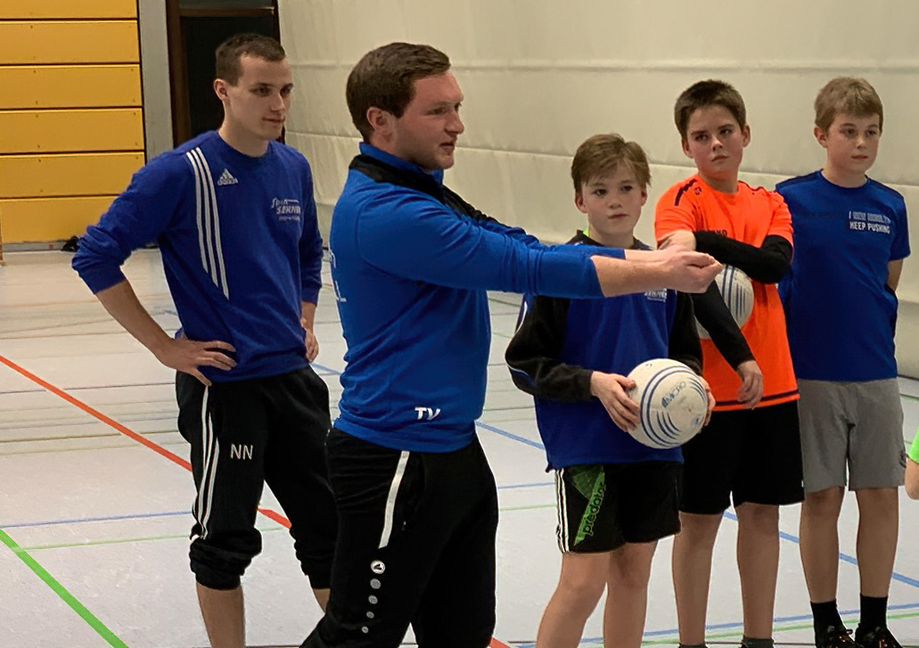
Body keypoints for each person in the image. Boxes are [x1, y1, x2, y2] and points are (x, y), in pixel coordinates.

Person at [301, 43, 721, 648]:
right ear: (380, 120)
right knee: (358, 635)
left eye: (457, 107)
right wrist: (660, 269)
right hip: (395, 454)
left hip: (454, 451)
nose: (457, 124)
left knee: (463, 632)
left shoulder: (425, 191)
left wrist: (655, 262)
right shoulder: (390, 212)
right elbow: (528, 266)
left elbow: (523, 243)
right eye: (438, 111)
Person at [72, 33, 336, 648]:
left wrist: (304, 317)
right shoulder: (179, 173)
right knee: (224, 541)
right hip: (225, 388)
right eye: (262, 90)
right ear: (224, 90)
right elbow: (95, 256)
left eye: (286, 90)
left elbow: (307, 252)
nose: (278, 104)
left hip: (295, 385)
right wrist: (164, 347)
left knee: (330, 532)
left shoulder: (292, 166)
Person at [505, 133, 714, 648]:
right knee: (582, 582)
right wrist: (592, 384)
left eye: (625, 188)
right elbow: (524, 364)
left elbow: (684, 353)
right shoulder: (560, 271)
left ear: (644, 194)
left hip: (654, 446)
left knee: (634, 572)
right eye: (600, 191)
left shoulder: (664, 271)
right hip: (588, 449)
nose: (614, 201)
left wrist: (694, 390)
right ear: (580, 200)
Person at [654, 79, 803, 648]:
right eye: (701, 136)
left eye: (725, 131)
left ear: (745, 134)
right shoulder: (678, 201)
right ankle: (691, 641)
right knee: (698, 523)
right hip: (704, 395)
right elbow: (690, 276)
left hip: (775, 386)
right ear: (686, 146)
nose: (715, 143)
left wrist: (709, 240)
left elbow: (773, 267)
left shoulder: (772, 203)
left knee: (763, 516)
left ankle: (758, 639)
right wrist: (738, 356)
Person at [776, 77, 910, 648]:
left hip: (876, 374)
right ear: (821, 134)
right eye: (849, 131)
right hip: (811, 374)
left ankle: (875, 623)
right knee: (822, 498)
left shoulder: (891, 205)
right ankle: (826, 623)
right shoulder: (790, 200)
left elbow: (888, 283)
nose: (861, 143)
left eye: (871, 132)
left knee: (880, 496)